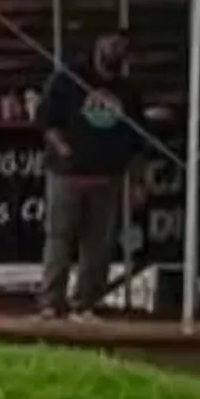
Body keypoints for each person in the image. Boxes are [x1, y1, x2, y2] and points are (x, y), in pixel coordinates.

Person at [34, 29, 145, 321]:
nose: (117, 50)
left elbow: (137, 141)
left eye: (122, 46)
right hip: (67, 175)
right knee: (59, 239)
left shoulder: (128, 90)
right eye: (112, 43)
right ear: (98, 45)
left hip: (107, 177)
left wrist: (136, 181)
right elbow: (45, 119)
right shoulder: (69, 79)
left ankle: (85, 303)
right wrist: (63, 148)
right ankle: (50, 302)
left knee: (98, 246)